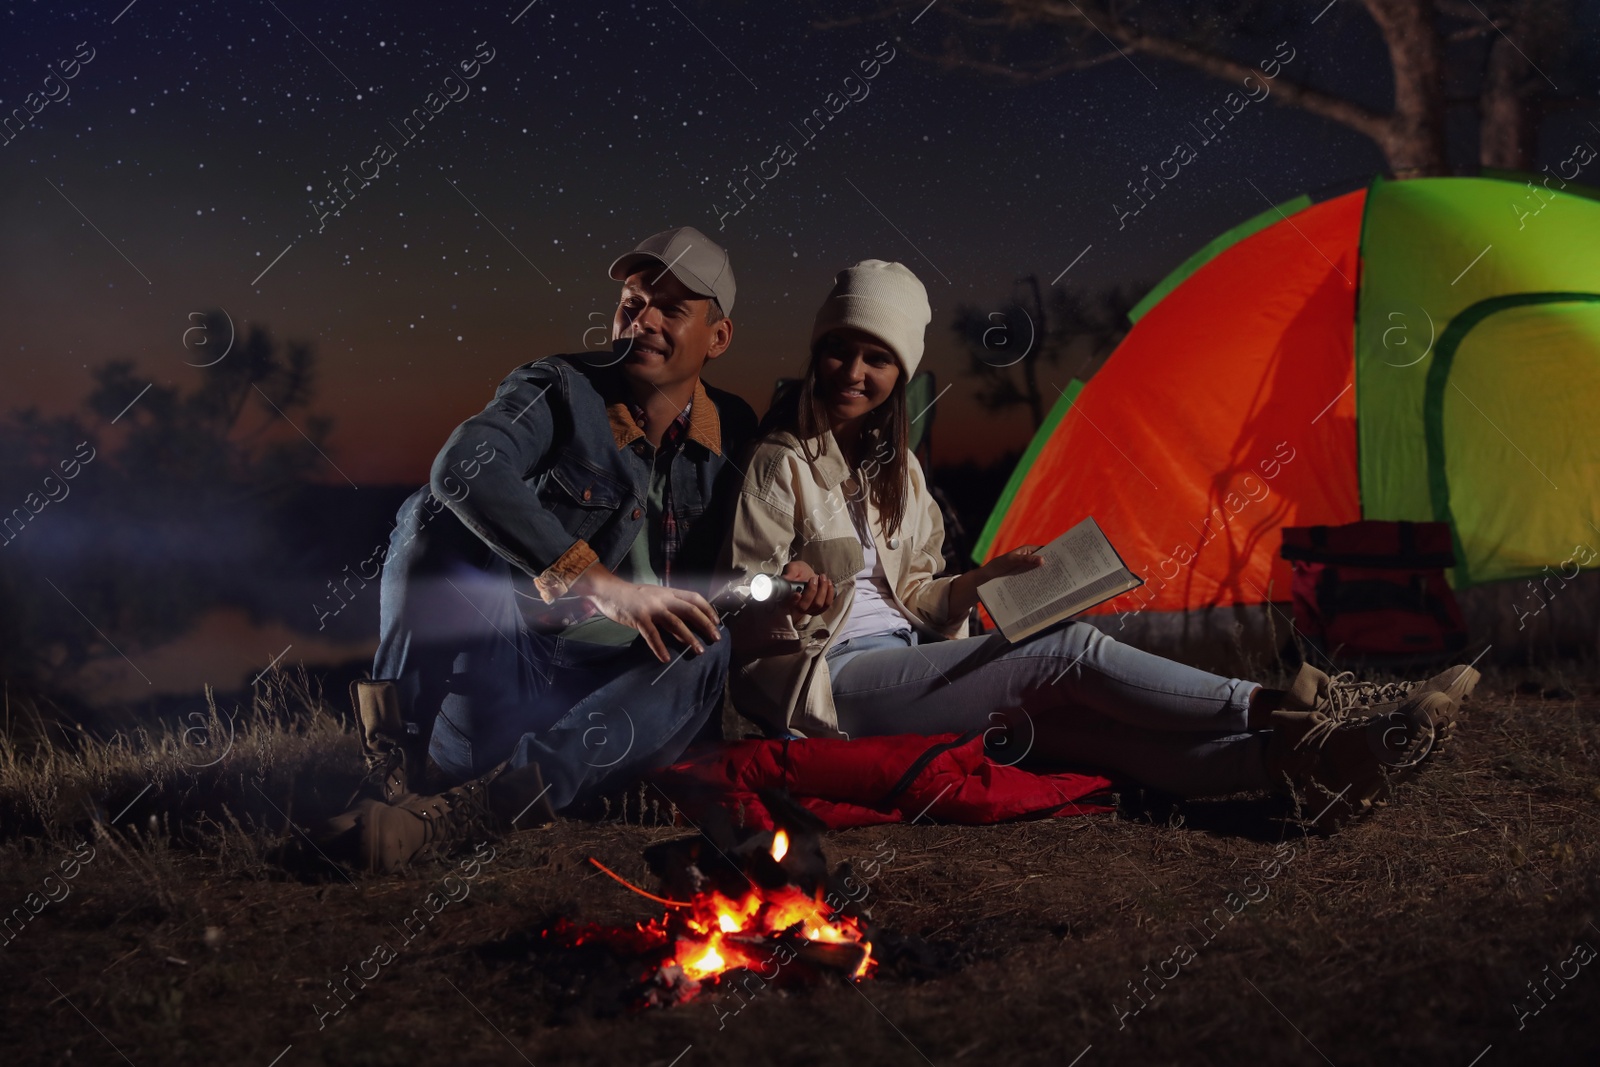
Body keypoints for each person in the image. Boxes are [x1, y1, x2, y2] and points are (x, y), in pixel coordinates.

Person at [720, 259, 1478, 832]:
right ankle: (1305, 707)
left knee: (1088, 732)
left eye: (875, 358)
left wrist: (982, 580)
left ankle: (1317, 763)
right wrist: (785, 588)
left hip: (906, 662)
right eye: (840, 351)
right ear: (817, 353)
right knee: (1068, 651)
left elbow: (917, 597)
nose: (854, 372)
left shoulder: (902, 474)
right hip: (831, 683)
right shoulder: (777, 460)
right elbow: (746, 595)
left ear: (900, 373)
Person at [323, 226, 758, 871]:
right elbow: (464, 464)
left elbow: (772, 525)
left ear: (718, 337)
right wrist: (600, 584)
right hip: (514, 672)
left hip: (623, 705)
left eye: (672, 308)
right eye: (634, 302)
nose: (644, 321)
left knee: (707, 637)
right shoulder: (559, 388)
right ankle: (395, 766)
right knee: (429, 512)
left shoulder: (736, 430)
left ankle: (487, 805)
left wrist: (796, 568)